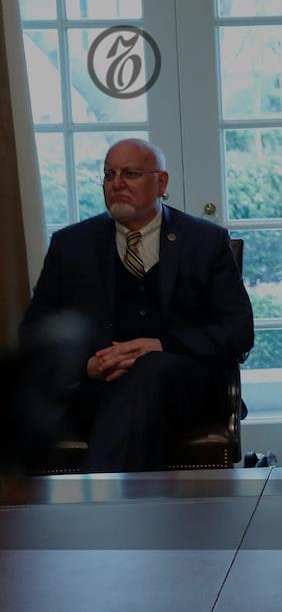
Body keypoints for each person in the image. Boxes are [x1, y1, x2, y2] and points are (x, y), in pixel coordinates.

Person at [19, 138, 254, 472]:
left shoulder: (205, 241)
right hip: (97, 388)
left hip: (185, 388)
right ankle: (130, 501)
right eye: (109, 174)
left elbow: (238, 332)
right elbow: (34, 334)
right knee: (132, 400)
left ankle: (101, 496)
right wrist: (87, 366)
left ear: (162, 182)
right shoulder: (70, 245)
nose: (117, 184)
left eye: (130, 174)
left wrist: (160, 346)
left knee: (150, 368)